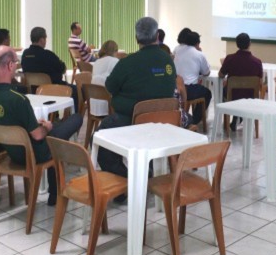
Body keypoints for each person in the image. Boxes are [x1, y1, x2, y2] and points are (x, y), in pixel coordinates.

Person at [0, 46, 83, 205]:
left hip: (10, 151)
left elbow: (7, 121)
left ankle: (54, 193)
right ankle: (55, 195)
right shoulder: (18, 99)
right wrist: (47, 127)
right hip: (33, 153)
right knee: (74, 120)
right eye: (16, 62)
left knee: (55, 130)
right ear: (10, 65)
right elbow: (38, 135)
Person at [97, 17, 177, 178]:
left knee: (100, 136)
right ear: (157, 36)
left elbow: (110, 86)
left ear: (136, 38)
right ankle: (147, 172)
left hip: (131, 121)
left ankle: (125, 178)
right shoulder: (168, 60)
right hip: (164, 121)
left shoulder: (127, 63)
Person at [219, 32, 264, 130]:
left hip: (232, 95)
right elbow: (260, 82)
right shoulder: (257, 62)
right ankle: (238, 118)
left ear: (237, 44)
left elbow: (221, 75)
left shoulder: (230, 58)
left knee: (223, 91)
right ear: (249, 43)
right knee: (242, 92)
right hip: (251, 95)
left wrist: (228, 80)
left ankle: (232, 119)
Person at [21, 27, 77, 105]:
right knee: (76, 89)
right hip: (53, 89)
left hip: (33, 91)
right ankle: (73, 112)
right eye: (45, 38)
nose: (46, 41)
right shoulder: (48, 55)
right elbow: (62, 68)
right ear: (41, 40)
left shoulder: (25, 54)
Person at [174, 31, 211, 125]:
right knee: (207, 93)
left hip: (175, 88)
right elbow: (206, 72)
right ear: (197, 43)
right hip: (189, 89)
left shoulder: (177, 50)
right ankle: (194, 120)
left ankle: (187, 118)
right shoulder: (199, 54)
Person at [90, 40, 120, 116]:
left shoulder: (96, 62)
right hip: (108, 106)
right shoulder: (115, 61)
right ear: (115, 51)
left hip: (94, 104)